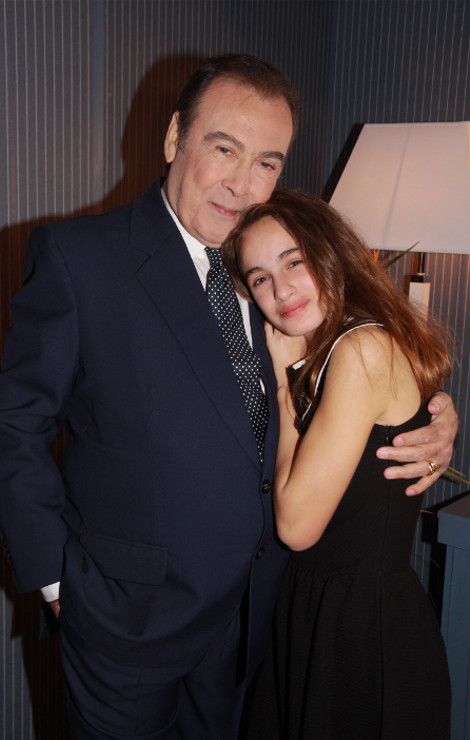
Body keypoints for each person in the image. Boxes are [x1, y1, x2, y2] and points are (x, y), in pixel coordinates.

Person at [0, 55, 456, 740]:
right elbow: (14, 427)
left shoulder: (278, 273)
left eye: (267, 162)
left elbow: (367, 371)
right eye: (225, 149)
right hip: (126, 633)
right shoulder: (80, 258)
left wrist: (434, 417)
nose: (244, 183)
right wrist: (59, 586)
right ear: (174, 137)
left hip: (259, 634)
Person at [222, 188, 452, 739]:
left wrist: (283, 389)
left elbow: (297, 527)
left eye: (293, 261)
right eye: (259, 278)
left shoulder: (360, 349)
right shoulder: (326, 351)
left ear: (331, 253)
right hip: (314, 611)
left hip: (361, 634)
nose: (280, 290)